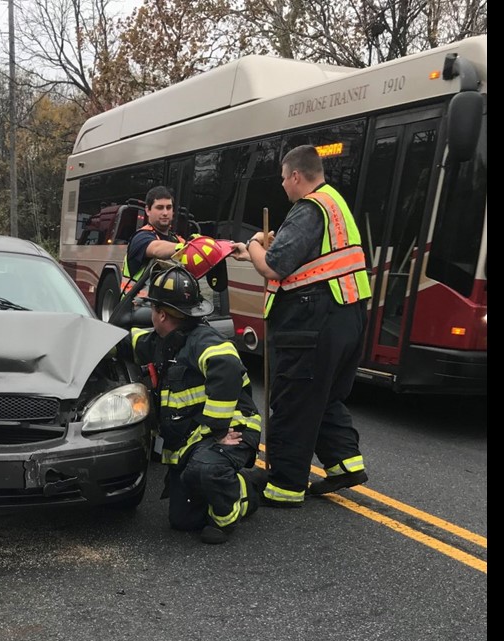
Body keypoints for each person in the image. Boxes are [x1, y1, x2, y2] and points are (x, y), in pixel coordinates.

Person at [231, 144, 372, 508]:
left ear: (296, 175)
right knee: (324, 395)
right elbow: (306, 258)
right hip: (348, 315)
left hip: (313, 319)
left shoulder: (308, 209)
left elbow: (274, 266)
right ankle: (344, 462)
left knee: (294, 399)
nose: (282, 186)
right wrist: (255, 253)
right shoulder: (334, 203)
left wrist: (254, 243)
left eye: (283, 179)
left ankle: (284, 486)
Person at [116, 265, 266, 544]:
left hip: (231, 432)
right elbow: (128, 344)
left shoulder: (203, 339)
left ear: (161, 314)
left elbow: (227, 369)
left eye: (152, 309)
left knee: (206, 470)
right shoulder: (162, 341)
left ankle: (233, 508)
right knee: (183, 520)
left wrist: (219, 428)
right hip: (193, 440)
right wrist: (108, 332)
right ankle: (246, 481)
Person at [121, 186, 186, 299]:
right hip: (137, 309)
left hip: (167, 309)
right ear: (148, 210)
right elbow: (156, 249)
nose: (165, 212)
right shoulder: (140, 237)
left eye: (169, 207)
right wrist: (187, 247)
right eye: (160, 208)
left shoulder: (177, 240)